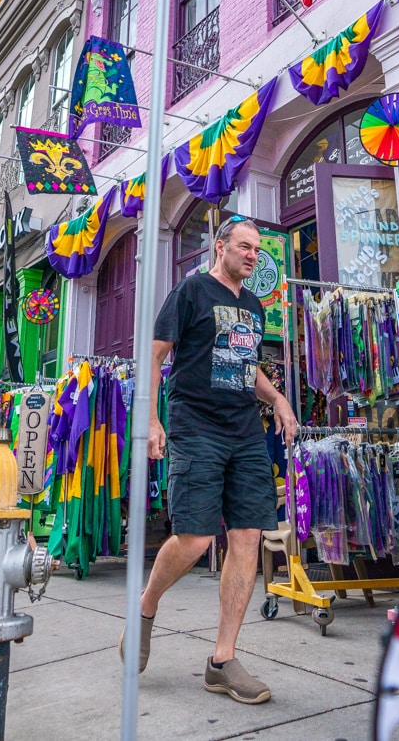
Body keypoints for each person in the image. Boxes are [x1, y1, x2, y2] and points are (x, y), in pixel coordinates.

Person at [119, 216, 298, 705]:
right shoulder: (191, 291)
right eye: (244, 247)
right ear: (221, 247)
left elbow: (247, 367)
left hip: (244, 432)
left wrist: (277, 399)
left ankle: (222, 660)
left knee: (247, 536)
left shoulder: (255, 306)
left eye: (257, 250)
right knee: (196, 538)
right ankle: (147, 605)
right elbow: (153, 356)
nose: (252, 255)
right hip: (195, 426)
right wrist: (151, 421)